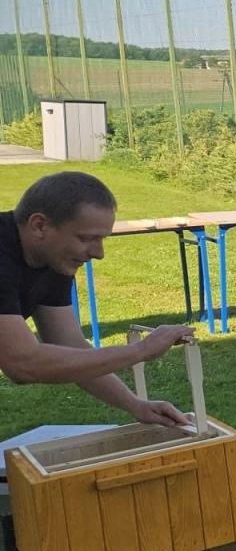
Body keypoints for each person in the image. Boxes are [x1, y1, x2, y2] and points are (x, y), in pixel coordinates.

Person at [1, 171, 193, 424]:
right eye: (86, 238)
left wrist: (135, 405)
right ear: (39, 225)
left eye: (101, 239)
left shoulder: (53, 259)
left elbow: (70, 346)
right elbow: (24, 364)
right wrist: (141, 350)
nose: (98, 253)